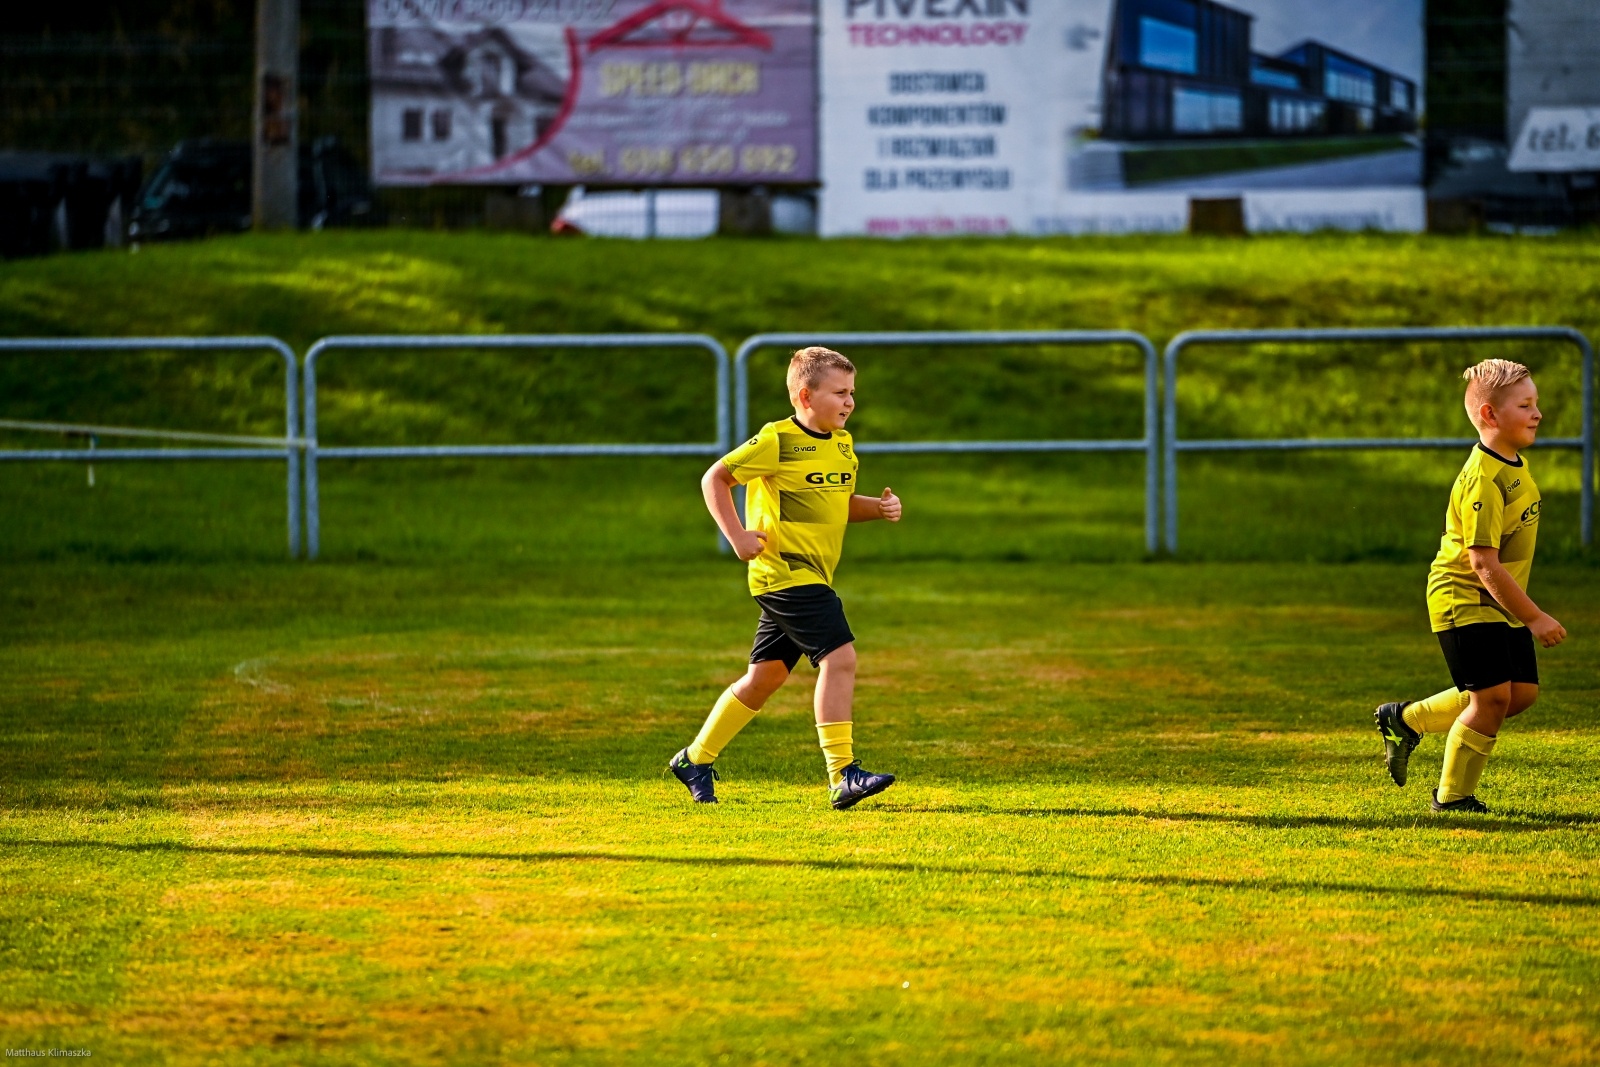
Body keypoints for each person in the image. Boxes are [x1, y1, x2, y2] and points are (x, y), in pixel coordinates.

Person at [668, 346, 902, 809]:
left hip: (814, 575)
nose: (850, 402)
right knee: (841, 659)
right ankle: (843, 774)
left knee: (765, 677)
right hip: (785, 574)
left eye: (852, 392)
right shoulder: (776, 440)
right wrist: (737, 537)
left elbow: (835, 503)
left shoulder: (843, 445)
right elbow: (714, 478)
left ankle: (694, 759)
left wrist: (876, 508)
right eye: (840, 393)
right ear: (805, 395)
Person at [1375, 358, 1566, 813]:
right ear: (1490, 415)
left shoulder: (1513, 462)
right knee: (1493, 698)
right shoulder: (1483, 478)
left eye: (1536, 402)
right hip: (1465, 594)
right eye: (1526, 405)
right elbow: (1482, 563)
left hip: (1496, 598)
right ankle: (1453, 798)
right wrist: (1535, 617)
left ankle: (1405, 719)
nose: (1538, 413)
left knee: (1520, 694)